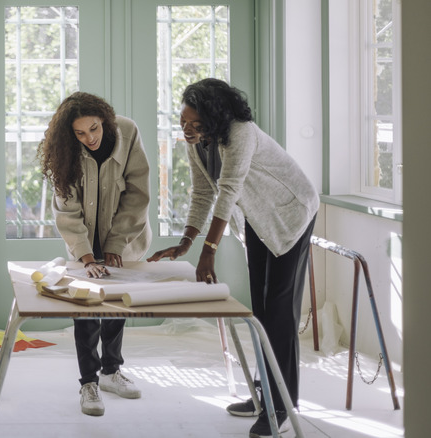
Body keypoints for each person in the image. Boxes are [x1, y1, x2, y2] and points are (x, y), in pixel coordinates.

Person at [147, 78, 319, 438]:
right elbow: (201, 194)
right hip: (257, 218)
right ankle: (263, 393)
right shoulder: (198, 146)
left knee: (280, 310)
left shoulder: (241, 133)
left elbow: (228, 190)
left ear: (215, 118)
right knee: (260, 311)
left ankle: (280, 406)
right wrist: (185, 243)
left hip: (290, 213)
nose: (188, 131)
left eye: (195, 125)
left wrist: (208, 252)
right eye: (183, 123)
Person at [38, 91, 152, 417]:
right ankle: (88, 383)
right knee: (86, 308)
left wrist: (116, 243)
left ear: (104, 121)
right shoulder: (66, 150)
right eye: (80, 133)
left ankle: (112, 372)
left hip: (124, 235)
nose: (89, 138)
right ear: (70, 134)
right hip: (83, 239)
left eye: (94, 129)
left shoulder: (127, 132)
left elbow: (138, 194)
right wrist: (86, 256)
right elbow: (66, 207)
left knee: (116, 305)